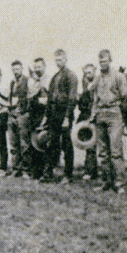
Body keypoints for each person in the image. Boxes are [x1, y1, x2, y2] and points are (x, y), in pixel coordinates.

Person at [90, 49, 127, 193]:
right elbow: (95, 96)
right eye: (100, 61)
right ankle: (106, 182)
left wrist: (121, 115)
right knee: (102, 152)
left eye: (105, 61)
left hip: (114, 114)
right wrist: (94, 113)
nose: (102, 64)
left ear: (110, 60)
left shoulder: (119, 76)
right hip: (100, 114)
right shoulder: (97, 78)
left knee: (115, 151)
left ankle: (119, 183)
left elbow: (126, 97)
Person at [48, 49, 79, 183]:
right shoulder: (55, 77)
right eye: (56, 59)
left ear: (66, 59)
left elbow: (72, 98)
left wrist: (67, 116)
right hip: (53, 114)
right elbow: (50, 96)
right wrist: (47, 115)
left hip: (64, 113)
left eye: (60, 59)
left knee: (66, 144)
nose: (58, 62)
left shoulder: (71, 76)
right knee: (52, 143)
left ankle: (68, 175)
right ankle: (49, 173)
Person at [25, 58, 50, 179]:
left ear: (44, 67)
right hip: (33, 115)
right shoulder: (32, 81)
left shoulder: (48, 80)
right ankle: (36, 172)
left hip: (44, 115)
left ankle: (46, 173)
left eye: (39, 66)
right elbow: (30, 97)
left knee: (43, 143)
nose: (37, 69)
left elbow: (49, 99)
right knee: (33, 143)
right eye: (35, 67)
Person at [6, 60, 30, 176]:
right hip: (12, 115)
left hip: (23, 115)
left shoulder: (27, 81)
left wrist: (25, 111)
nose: (15, 71)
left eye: (17, 69)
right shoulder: (12, 83)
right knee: (13, 143)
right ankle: (16, 169)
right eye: (13, 69)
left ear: (22, 69)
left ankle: (25, 170)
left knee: (24, 144)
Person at [78, 63, 98, 180]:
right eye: (86, 73)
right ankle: (90, 170)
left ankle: (90, 171)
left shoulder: (97, 83)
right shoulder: (85, 84)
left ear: (94, 72)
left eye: (89, 72)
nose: (87, 75)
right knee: (88, 144)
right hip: (85, 115)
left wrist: (92, 115)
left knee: (91, 145)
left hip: (93, 116)